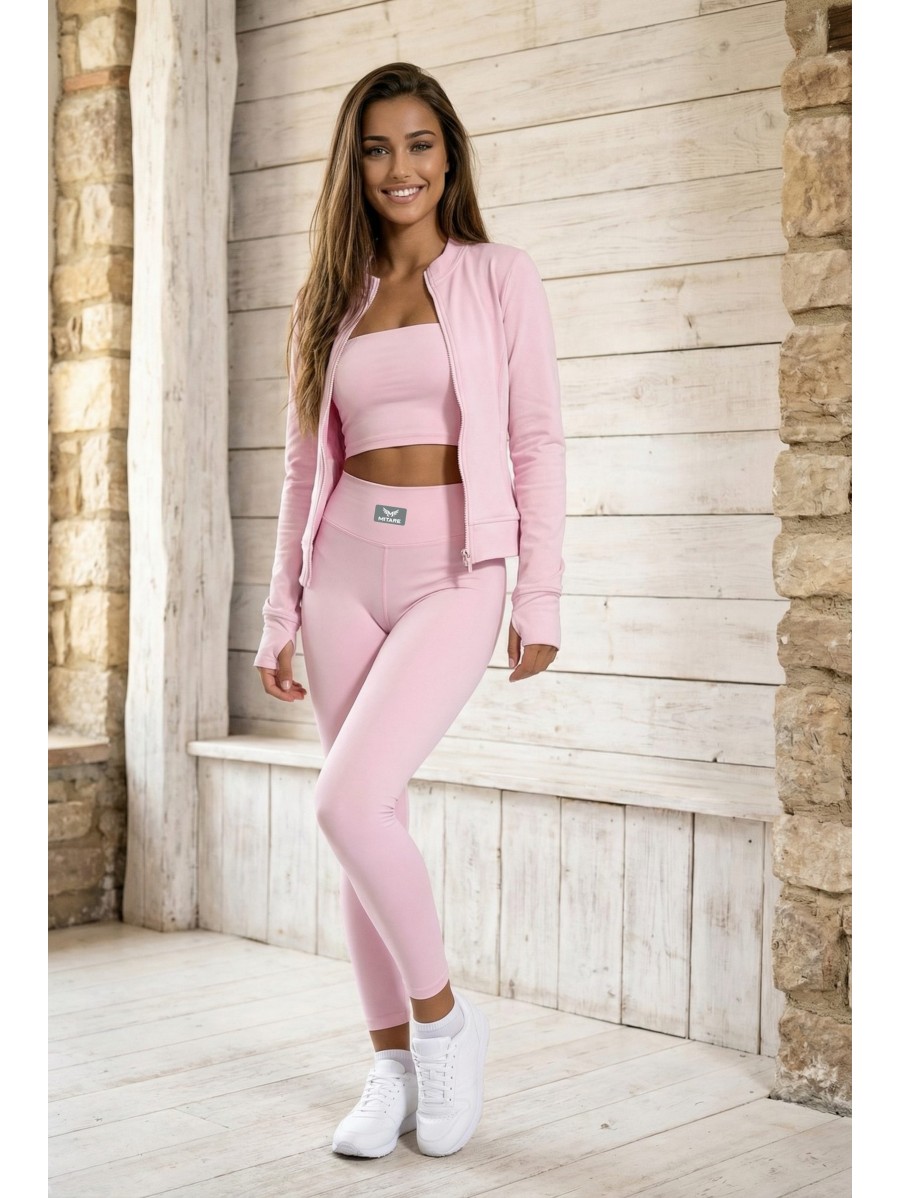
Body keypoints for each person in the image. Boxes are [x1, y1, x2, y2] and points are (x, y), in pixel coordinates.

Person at [254, 61, 566, 1160]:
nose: (401, 167)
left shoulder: (498, 277)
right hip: (341, 569)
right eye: (379, 147)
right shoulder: (326, 301)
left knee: (345, 802)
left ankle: (445, 1025)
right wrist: (280, 610)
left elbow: (537, 440)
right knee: (365, 821)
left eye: (420, 144)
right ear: (356, 165)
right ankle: (390, 1066)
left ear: (450, 155)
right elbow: (302, 467)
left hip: (454, 569)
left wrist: (539, 592)